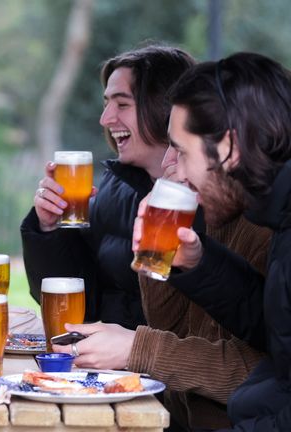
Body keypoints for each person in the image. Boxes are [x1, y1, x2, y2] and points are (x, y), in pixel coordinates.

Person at [53, 144, 269, 430]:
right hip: (176, 418)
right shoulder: (208, 217)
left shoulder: (266, 231)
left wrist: (137, 349)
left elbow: (268, 372)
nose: (167, 160)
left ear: (227, 145)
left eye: (180, 149)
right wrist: (152, 252)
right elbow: (170, 326)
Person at [138, 52, 291, 431]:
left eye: (181, 150)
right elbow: (276, 328)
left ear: (227, 147)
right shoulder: (279, 214)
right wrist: (199, 264)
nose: (172, 166)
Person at [21, 45, 195, 329]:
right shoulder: (115, 186)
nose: (105, 119)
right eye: (106, 104)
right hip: (107, 366)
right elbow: (79, 302)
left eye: (122, 104)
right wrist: (48, 229)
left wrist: (135, 350)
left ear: (165, 108)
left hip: (167, 368)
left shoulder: (210, 200)